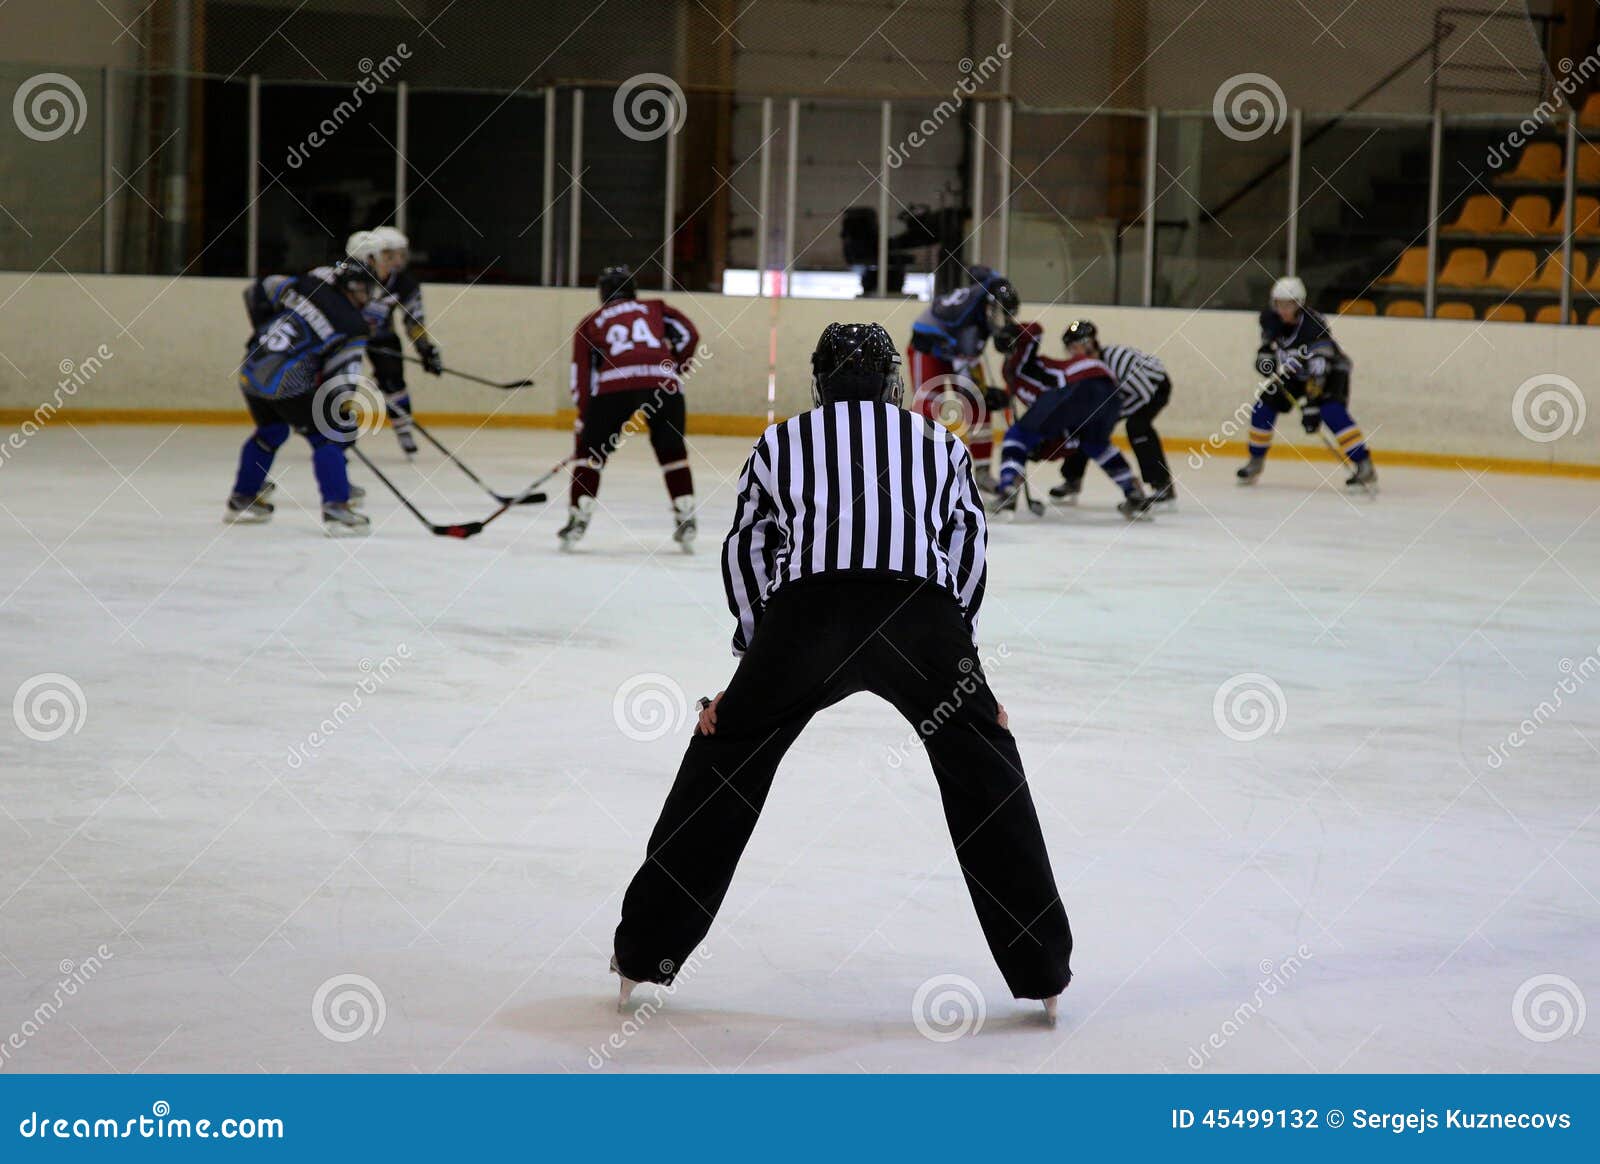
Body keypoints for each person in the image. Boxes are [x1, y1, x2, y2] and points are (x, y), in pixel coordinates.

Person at [611, 322, 1073, 1024]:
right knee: (985, 770)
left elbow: (748, 550)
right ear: (892, 380)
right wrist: (968, 675)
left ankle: (644, 954)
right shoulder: (939, 443)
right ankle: (1042, 968)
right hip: (920, 617)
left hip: (807, 619)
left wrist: (750, 665)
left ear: (819, 381)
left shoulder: (781, 441)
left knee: (724, 757)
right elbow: (966, 551)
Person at [225, 259, 377, 536]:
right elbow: (341, 382)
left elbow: (258, 290)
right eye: (366, 291)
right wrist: (344, 419)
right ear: (354, 289)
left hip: (251, 370)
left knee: (271, 431)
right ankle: (337, 510)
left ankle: (242, 499)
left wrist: (264, 330)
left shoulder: (308, 285)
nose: (368, 298)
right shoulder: (352, 326)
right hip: (287, 385)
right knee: (328, 437)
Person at [562, 264, 700, 552]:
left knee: (592, 455)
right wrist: (674, 369)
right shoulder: (656, 308)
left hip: (615, 387)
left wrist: (586, 417)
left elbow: (583, 374)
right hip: (663, 384)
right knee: (671, 450)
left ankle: (579, 514)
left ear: (602, 293)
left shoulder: (591, 321)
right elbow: (689, 335)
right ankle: (685, 512)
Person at [996, 322, 1153, 520]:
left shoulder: (1017, 367)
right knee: (1094, 444)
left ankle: (1008, 487)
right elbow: (1068, 438)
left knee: (1017, 435)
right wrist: (1043, 450)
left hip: (1079, 383)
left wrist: (1013, 332)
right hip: (1109, 392)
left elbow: (1034, 331)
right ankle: (1134, 494)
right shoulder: (1039, 402)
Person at [1237, 276, 1376, 489]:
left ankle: (1364, 465)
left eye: (1289, 304)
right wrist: (1264, 357)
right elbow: (1268, 344)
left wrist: (1312, 405)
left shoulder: (1313, 326)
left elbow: (1319, 371)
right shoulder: (1269, 318)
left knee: (1331, 411)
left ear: (1299, 304)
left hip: (1330, 372)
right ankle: (1255, 462)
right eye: (1279, 304)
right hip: (1296, 371)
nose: (1283, 309)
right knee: (1263, 408)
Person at [905, 265, 1020, 490]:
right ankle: (917, 467)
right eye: (998, 315)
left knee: (979, 406)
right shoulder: (969, 329)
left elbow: (980, 271)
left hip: (954, 344)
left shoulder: (990, 288)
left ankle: (984, 470)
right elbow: (968, 383)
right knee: (928, 405)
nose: (1001, 322)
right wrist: (986, 393)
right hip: (928, 347)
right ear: (988, 307)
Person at [1053, 319, 1176, 508]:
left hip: (1154, 387)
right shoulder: (1086, 369)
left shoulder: (1118, 360)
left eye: (1074, 346)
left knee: (1137, 426)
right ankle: (1072, 479)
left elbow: (1143, 394)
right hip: (1125, 393)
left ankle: (1162, 485)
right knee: (1084, 424)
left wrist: (1110, 415)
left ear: (1088, 344)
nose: (1071, 352)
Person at [361, 225, 441, 457]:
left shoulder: (405, 283)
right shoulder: (355, 276)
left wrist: (425, 349)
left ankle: (403, 427)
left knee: (393, 379)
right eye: (391, 254)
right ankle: (333, 435)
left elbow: (414, 319)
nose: (398, 260)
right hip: (346, 337)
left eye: (401, 254)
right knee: (339, 381)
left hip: (381, 336)